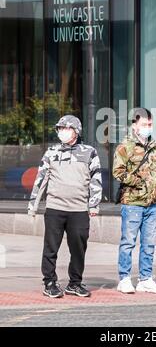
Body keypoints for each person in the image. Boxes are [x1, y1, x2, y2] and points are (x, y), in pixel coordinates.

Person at [27, 115, 102, 298]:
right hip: (55, 208)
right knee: (50, 248)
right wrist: (33, 205)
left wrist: (94, 205)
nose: (62, 132)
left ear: (76, 131)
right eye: (60, 129)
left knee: (78, 248)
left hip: (79, 210)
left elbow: (96, 179)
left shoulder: (89, 152)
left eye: (66, 128)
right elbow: (41, 180)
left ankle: (74, 283)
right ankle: (50, 282)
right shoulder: (51, 152)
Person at [113, 108, 156, 294]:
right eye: (144, 124)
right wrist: (139, 182)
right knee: (128, 242)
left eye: (150, 124)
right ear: (134, 125)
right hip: (132, 203)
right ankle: (125, 279)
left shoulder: (155, 146)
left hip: (152, 203)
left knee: (149, 243)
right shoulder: (126, 146)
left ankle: (145, 278)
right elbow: (118, 171)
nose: (148, 128)